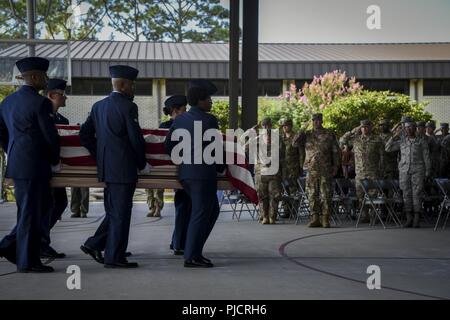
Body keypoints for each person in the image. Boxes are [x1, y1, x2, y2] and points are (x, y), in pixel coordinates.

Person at [79, 65, 150, 268]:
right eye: (131, 85)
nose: (133, 89)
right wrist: (142, 163)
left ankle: (97, 245)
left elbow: (84, 134)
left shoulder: (98, 106)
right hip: (123, 169)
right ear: (122, 84)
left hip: (107, 168)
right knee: (121, 214)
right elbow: (135, 139)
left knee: (114, 211)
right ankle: (114, 257)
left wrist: (101, 155)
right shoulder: (128, 107)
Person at [0, 57, 60, 273]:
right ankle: (28, 262)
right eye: (44, 76)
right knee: (32, 213)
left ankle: (9, 245)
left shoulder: (7, 102)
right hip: (36, 165)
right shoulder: (41, 102)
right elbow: (50, 136)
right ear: (34, 77)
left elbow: (2, 133)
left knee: (33, 210)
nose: (46, 80)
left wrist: (13, 151)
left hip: (19, 164)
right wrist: (54, 160)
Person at [165, 79, 224, 268]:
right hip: (202, 174)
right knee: (200, 213)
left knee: (211, 209)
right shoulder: (209, 120)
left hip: (186, 174)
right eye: (209, 99)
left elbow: (168, 145)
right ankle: (191, 256)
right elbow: (216, 147)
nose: (211, 102)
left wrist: (183, 157)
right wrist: (221, 168)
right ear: (200, 100)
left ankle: (194, 249)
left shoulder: (180, 119)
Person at [293, 113, 340, 228]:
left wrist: (336, 166)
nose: (316, 122)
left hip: (326, 168)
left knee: (326, 194)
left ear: (322, 121)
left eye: (318, 120)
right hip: (311, 169)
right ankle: (315, 217)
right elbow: (294, 143)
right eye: (314, 120)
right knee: (312, 194)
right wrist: (303, 128)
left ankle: (325, 218)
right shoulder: (306, 134)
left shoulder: (329, 134)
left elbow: (336, 151)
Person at [40, 78, 70, 259]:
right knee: (44, 207)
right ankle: (40, 242)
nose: (66, 98)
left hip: (58, 169)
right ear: (51, 95)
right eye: (63, 94)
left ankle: (43, 240)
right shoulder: (41, 113)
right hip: (43, 168)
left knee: (59, 203)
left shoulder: (62, 119)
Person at [386, 121, 431, 228]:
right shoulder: (402, 142)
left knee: (417, 193)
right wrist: (395, 136)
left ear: (415, 128)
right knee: (406, 194)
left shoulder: (421, 141)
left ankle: (416, 217)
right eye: (406, 128)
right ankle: (409, 217)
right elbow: (387, 148)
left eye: (410, 127)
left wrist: (427, 171)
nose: (408, 129)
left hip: (418, 170)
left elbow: (426, 157)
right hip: (404, 171)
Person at [160, 95, 190, 255]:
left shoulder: (163, 126)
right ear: (176, 110)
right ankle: (179, 243)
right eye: (184, 109)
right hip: (182, 169)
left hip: (171, 170)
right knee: (184, 207)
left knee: (182, 207)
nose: (187, 111)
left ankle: (177, 242)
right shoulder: (183, 125)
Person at [340, 120, 384, 223]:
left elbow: (382, 156)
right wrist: (352, 131)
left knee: (373, 195)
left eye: (367, 127)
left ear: (371, 127)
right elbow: (342, 140)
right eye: (362, 127)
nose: (364, 129)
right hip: (360, 172)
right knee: (360, 195)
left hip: (373, 171)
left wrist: (381, 169)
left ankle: (373, 215)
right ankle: (364, 215)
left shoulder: (377, 140)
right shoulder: (356, 140)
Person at [279, 118, 303, 219]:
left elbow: (301, 153)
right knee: (284, 189)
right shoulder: (281, 138)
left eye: (286, 125)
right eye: (283, 126)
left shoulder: (295, 137)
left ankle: (294, 210)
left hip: (293, 168)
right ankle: (286, 210)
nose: (285, 127)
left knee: (293, 190)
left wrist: (301, 166)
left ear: (291, 126)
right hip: (283, 169)